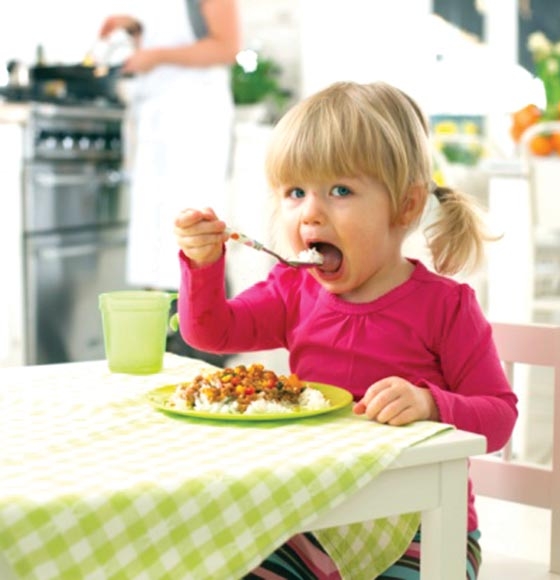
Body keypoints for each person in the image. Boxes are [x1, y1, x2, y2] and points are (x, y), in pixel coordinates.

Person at [173, 81, 518, 579]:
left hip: (424, 528)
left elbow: (500, 417)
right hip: (320, 518)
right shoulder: (293, 288)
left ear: (404, 206)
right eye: (295, 192)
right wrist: (202, 263)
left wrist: (429, 404)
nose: (310, 211)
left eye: (340, 191)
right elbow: (213, 333)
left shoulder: (446, 307)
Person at [100, 0, 241, 366]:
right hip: (159, 123)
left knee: (196, 232)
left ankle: (207, 349)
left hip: (195, 121)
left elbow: (227, 46)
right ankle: (175, 350)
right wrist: (135, 27)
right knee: (159, 242)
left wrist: (155, 56)